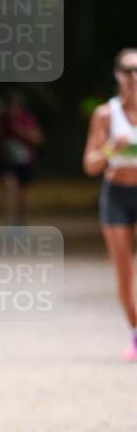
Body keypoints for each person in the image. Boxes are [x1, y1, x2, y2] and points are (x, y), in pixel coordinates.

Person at [83, 48, 137, 362]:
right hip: (116, 195)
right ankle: (134, 331)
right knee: (124, 272)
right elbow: (90, 165)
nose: (133, 76)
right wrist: (108, 149)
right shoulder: (106, 114)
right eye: (128, 70)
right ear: (117, 74)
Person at [0, 91, 44, 226]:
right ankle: (10, 221)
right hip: (8, 161)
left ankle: (22, 220)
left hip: (26, 161)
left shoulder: (27, 118)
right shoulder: (3, 119)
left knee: (24, 193)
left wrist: (20, 131)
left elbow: (38, 138)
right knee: (9, 189)